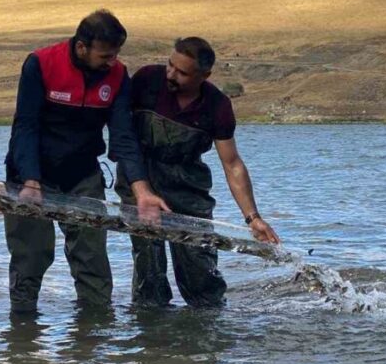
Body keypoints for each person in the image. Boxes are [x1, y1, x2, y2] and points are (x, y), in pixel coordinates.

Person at [4, 9, 169, 314]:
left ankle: (94, 340)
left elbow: (123, 137)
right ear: (82, 47)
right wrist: (29, 180)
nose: (112, 61)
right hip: (30, 173)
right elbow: (25, 125)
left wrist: (142, 191)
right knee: (31, 257)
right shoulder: (40, 63)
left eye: (116, 54)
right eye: (106, 55)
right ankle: (23, 337)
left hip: (83, 176)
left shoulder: (118, 76)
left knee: (92, 261)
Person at [115, 37, 279, 308]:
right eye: (170, 65)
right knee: (149, 270)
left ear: (205, 75)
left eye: (182, 72)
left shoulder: (218, 106)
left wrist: (253, 218)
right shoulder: (146, 80)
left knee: (201, 271)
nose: (171, 74)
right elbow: (119, 130)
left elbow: (232, 163)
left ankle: (208, 332)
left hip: (188, 186)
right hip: (139, 182)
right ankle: (151, 335)